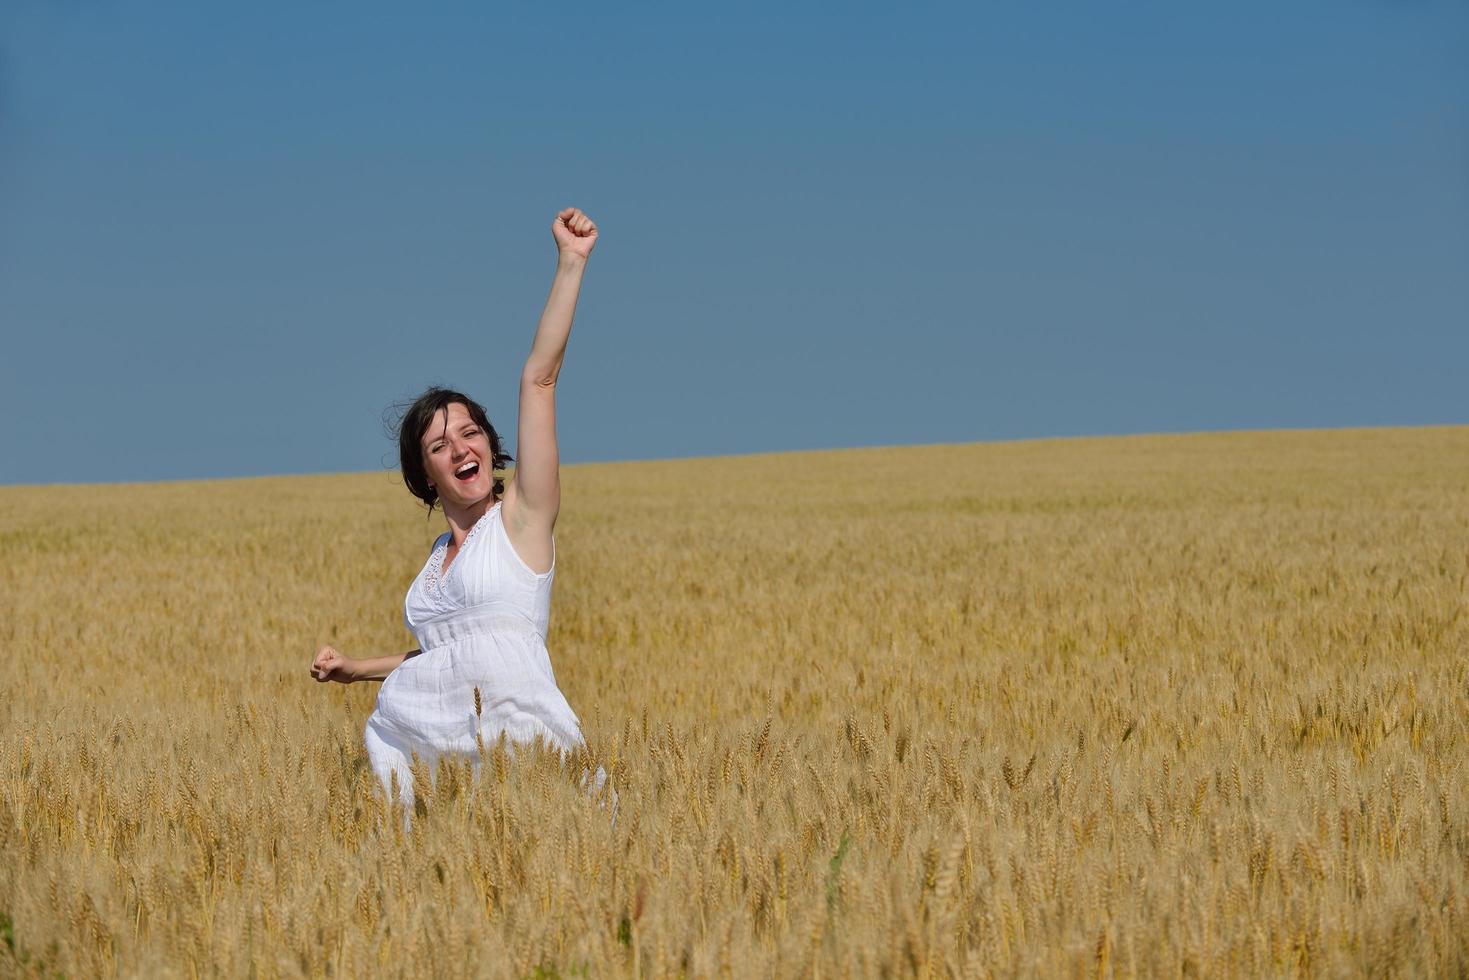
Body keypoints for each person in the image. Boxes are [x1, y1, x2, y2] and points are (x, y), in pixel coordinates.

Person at [309, 207, 611, 823]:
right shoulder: (433, 568)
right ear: (425, 474)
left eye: (470, 432)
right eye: (440, 445)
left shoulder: (522, 519)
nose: (461, 448)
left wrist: (571, 263)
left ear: (491, 446)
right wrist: (354, 671)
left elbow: (540, 381)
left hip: (526, 758)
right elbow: (444, 654)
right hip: (438, 752)